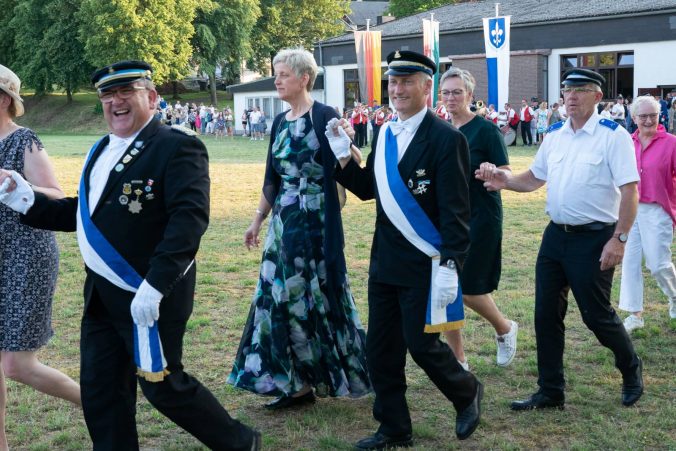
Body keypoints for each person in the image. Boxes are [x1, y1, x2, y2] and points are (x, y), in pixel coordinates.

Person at [0, 61, 260, 450]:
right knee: (101, 391)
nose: (115, 101)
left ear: (151, 98)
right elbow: (84, 216)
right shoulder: (101, 150)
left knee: (164, 386)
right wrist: (26, 199)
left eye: (126, 92)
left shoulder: (177, 145)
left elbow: (188, 221)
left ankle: (241, 443)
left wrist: (155, 286)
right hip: (102, 296)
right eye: (107, 94)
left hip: (150, 293)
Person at [331, 50, 483, 448]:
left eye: (406, 82)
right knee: (381, 349)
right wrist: (342, 155)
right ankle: (394, 428)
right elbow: (369, 190)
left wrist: (451, 264)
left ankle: (467, 391)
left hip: (425, 261)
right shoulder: (384, 133)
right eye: (393, 82)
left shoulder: (446, 139)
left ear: (426, 87)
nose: (397, 89)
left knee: (422, 345)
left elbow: (456, 211)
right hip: (385, 259)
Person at [476, 68, 644, 411]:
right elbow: (533, 178)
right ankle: (550, 391)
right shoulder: (554, 135)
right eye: (567, 90)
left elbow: (630, 191)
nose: (572, 96)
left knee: (596, 316)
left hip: (595, 238)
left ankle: (631, 368)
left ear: (598, 96)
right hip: (555, 236)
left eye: (581, 90)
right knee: (545, 315)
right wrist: (504, 181)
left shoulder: (613, 136)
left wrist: (620, 239)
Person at [228, 48, 370, 410]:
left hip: (317, 222)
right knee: (280, 297)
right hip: (283, 225)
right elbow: (272, 179)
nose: (277, 80)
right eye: (276, 74)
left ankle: (320, 377)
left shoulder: (324, 115)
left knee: (314, 296)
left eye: (283, 75)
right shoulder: (279, 121)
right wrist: (257, 220)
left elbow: (351, 164)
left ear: (304, 78)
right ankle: (295, 384)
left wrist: (346, 140)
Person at [0, 64, 81, 451]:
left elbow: (57, 194)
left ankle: (99, 404)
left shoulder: (23, 140)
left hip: (25, 257)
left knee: (16, 365)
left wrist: (19, 183)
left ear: (3, 100)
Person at [439, 67, 518, 370]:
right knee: (445, 288)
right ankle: (458, 359)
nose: (451, 98)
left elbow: (506, 172)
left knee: (469, 290)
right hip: (447, 219)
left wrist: (493, 170)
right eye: (446, 92)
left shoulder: (485, 130)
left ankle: (504, 328)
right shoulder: (440, 129)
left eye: (457, 92)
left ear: (470, 95)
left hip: (481, 216)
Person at [618, 95, 676, 331]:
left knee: (657, 264)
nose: (649, 120)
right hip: (629, 209)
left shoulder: (671, 143)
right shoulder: (626, 143)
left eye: (653, 115)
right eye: (643, 116)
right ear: (634, 118)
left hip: (658, 210)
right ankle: (635, 314)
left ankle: (674, 295)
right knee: (630, 262)